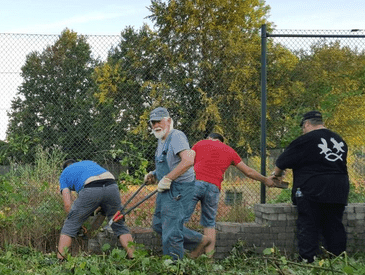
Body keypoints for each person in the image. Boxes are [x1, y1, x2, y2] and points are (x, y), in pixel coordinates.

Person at [268, 110, 349, 263]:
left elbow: (281, 162)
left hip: (312, 187)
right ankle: (338, 259)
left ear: (306, 124)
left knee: (308, 223)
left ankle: (308, 259)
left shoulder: (305, 140)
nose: (303, 130)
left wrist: (276, 175)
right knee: (334, 224)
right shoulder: (339, 140)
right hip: (339, 187)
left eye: (303, 127)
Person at [144, 107, 211, 260]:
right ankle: (200, 240)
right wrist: (154, 174)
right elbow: (170, 162)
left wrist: (167, 178)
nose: (155, 125)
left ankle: (174, 270)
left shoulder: (176, 136)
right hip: (167, 188)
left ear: (168, 120)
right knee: (158, 225)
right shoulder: (161, 139)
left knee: (171, 230)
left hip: (179, 189)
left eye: (158, 121)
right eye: (152, 123)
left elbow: (188, 161)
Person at [189, 133, 272, 255]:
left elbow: (186, 163)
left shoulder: (200, 143)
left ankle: (193, 246)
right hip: (214, 187)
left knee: (180, 218)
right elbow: (248, 171)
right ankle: (209, 261)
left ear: (209, 139)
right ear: (221, 141)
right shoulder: (230, 151)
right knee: (210, 224)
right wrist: (265, 180)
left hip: (195, 183)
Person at [58, 159, 135, 261]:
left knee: (69, 225)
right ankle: (134, 258)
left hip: (91, 187)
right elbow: (100, 193)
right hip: (111, 185)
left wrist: (77, 223)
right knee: (119, 225)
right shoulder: (88, 163)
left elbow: (68, 205)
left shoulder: (64, 174)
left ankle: (60, 261)